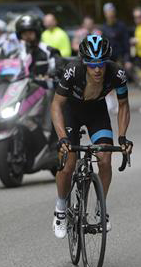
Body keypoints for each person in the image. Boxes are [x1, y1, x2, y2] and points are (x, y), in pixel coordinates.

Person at [50, 35, 133, 238]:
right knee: (68, 164)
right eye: (92, 64)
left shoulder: (117, 73)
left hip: (96, 110)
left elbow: (123, 105)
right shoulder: (73, 71)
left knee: (105, 159)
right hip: (71, 111)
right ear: (84, 62)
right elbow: (56, 106)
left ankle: (101, 208)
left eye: (101, 64)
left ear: (107, 62)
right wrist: (62, 139)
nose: (97, 69)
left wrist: (122, 138)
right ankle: (60, 209)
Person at [101, 3, 132, 69]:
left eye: (111, 12)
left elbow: (126, 44)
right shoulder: (104, 28)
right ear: (105, 14)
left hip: (120, 59)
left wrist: (127, 60)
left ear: (114, 12)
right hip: (108, 60)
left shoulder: (121, 26)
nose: (110, 14)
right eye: (108, 12)